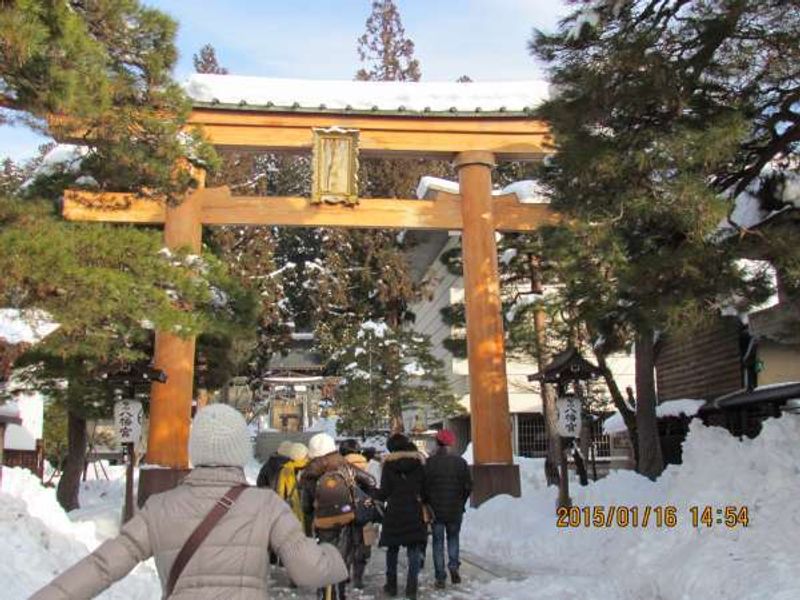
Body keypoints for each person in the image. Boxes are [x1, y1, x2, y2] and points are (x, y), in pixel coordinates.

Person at [30, 404, 348, 600]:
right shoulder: (265, 506)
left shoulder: (159, 508)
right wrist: (334, 557)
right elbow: (308, 571)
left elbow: (101, 567)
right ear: (239, 452)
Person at [301, 433, 375, 600]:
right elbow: (371, 481)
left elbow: (306, 506)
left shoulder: (310, 472)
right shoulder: (344, 465)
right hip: (345, 520)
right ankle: (340, 594)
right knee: (342, 560)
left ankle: (326, 595)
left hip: (322, 524)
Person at [377, 434, 427, 600]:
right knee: (414, 549)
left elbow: (384, 492)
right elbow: (424, 488)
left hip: (394, 511)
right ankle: (411, 587)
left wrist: (373, 494)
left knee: (392, 549)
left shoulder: (388, 465)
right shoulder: (418, 463)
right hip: (414, 508)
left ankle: (391, 585)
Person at [424, 428, 472, 589]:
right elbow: (468, 486)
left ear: (437, 443)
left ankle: (440, 576)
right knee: (453, 538)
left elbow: (423, 486)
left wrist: (426, 501)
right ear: (451, 443)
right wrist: (461, 500)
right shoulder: (460, 462)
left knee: (437, 542)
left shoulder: (430, 463)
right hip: (455, 508)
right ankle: (453, 566)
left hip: (435, 510)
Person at [339, 438, 373, 590]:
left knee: (345, 542)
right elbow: (376, 486)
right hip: (366, 510)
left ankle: (344, 574)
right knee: (364, 543)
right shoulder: (371, 465)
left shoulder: (338, 467)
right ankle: (358, 577)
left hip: (344, 509)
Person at [276, 442, 309, 526]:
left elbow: (280, 493)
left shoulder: (285, 469)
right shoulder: (312, 467)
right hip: (309, 510)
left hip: (293, 512)